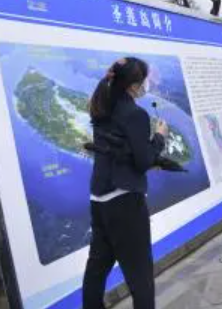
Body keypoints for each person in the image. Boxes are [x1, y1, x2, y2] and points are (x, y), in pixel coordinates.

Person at [83, 57, 169, 309]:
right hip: (125, 202)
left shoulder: (101, 106)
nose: (146, 86)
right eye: (144, 82)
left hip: (99, 200)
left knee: (96, 269)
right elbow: (143, 162)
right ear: (133, 86)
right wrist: (160, 137)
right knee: (140, 275)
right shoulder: (135, 114)